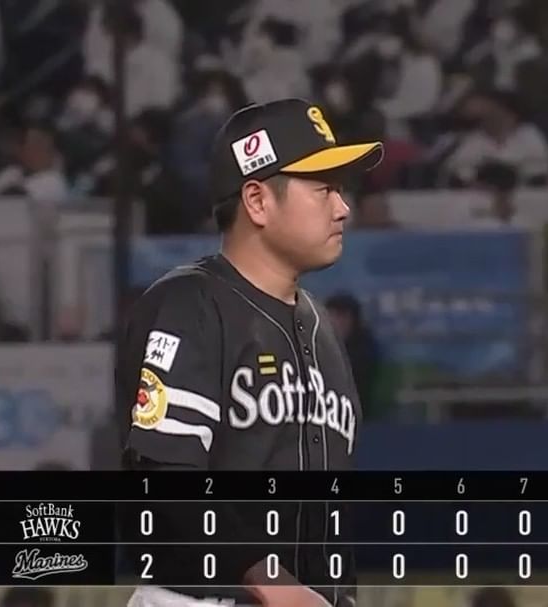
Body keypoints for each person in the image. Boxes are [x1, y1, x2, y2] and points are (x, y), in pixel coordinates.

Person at [118, 98, 382, 607]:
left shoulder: (322, 328)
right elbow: (166, 474)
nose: (343, 207)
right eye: (323, 188)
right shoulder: (192, 304)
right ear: (257, 201)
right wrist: (272, 582)